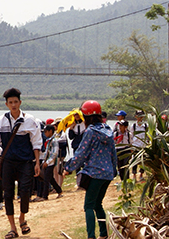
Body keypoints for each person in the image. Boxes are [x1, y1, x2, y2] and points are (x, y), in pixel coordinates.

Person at [0, 87, 42, 239]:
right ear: (6, 104)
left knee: (25, 191)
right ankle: (12, 228)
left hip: (25, 161)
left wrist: (37, 163)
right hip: (8, 162)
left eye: (16, 102)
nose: (13, 105)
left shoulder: (30, 120)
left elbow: (37, 143)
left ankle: (22, 218)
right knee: (7, 193)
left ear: (20, 102)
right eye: (10, 102)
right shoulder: (0, 121)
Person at [64, 100, 118, 239]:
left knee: (88, 206)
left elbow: (81, 153)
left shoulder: (90, 132)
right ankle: (104, 234)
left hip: (94, 173)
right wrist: (114, 170)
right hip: (107, 174)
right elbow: (113, 152)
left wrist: (68, 168)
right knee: (98, 204)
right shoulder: (108, 130)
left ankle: (91, 236)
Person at [34, 124, 63, 201]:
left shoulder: (54, 141)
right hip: (47, 162)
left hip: (51, 163)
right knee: (50, 179)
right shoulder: (49, 140)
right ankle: (59, 191)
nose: (45, 133)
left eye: (46, 132)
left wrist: (48, 162)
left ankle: (44, 196)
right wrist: (44, 162)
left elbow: (54, 153)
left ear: (50, 131)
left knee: (46, 179)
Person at [129, 110, 147, 182]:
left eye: (141, 116)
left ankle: (141, 175)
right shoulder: (133, 126)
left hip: (143, 146)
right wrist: (131, 146)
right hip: (135, 145)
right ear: (136, 117)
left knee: (143, 161)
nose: (140, 118)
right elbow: (131, 136)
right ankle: (134, 175)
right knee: (135, 161)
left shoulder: (145, 126)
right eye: (138, 116)